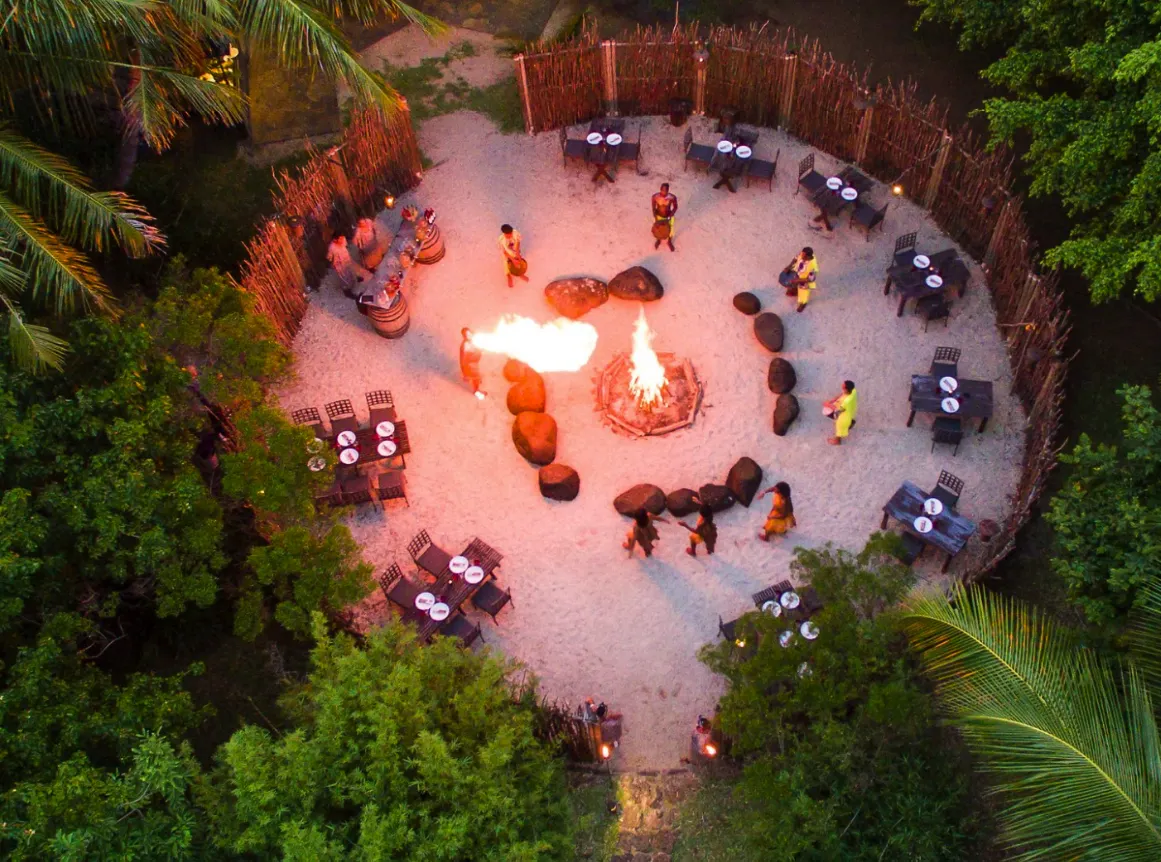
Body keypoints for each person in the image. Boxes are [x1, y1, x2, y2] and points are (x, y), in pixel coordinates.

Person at [780, 247, 817, 313]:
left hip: (804, 280)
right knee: (791, 283)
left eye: (803, 255)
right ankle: (794, 291)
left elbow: (810, 279)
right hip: (796, 273)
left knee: (803, 295)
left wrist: (797, 280)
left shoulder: (812, 266)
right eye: (802, 254)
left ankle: (803, 304)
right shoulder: (801, 254)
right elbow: (795, 259)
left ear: (808, 257)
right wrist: (789, 266)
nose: (801, 256)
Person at [824, 380, 858, 445]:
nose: (842, 387)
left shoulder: (846, 402)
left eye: (843, 387)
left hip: (844, 415)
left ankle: (836, 440)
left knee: (839, 427)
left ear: (846, 390)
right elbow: (842, 394)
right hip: (850, 410)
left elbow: (838, 410)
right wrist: (833, 400)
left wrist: (827, 404)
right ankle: (850, 423)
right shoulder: (853, 391)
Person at [498, 224, 528, 288]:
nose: (510, 235)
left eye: (511, 233)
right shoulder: (501, 240)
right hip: (507, 254)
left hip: (515, 252)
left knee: (519, 262)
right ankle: (509, 276)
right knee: (506, 265)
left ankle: (520, 274)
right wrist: (513, 259)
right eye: (509, 234)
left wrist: (518, 254)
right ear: (504, 234)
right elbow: (504, 252)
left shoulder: (515, 233)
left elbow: (518, 243)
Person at [651, 182, 678, 251]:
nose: (664, 192)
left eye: (666, 190)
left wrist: (670, 216)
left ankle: (669, 241)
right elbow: (653, 208)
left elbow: (675, 207)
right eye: (663, 190)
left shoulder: (672, 197)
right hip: (658, 216)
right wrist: (655, 217)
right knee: (658, 228)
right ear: (660, 189)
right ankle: (658, 239)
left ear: (668, 190)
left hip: (668, 215)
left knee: (670, 229)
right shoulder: (655, 197)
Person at [459, 327, 485, 398]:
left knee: (476, 377)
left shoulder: (473, 341)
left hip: (474, 363)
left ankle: (477, 385)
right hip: (470, 364)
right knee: (476, 377)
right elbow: (463, 359)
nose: (470, 335)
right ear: (465, 336)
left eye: (470, 333)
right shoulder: (465, 345)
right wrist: (464, 373)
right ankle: (476, 391)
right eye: (467, 335)